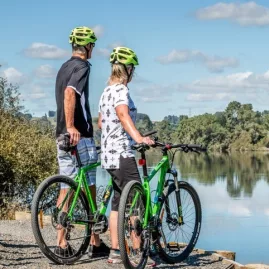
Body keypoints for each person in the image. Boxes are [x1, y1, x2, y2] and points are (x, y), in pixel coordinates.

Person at [55, 26, 110, 258]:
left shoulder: (63, 67)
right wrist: (72, 126)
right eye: (92, 46)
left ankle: (61, 243)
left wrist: (65, 129)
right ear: (88, 46)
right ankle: (95, 243)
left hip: (61, 137)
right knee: (89, 186)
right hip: (80, 137)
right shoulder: (82, 66)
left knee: (66, 186)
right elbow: (70, 93)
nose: (92, 51)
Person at [98, 47, 156, 266]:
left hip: (108, 155)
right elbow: (122, 115)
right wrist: (138, 137)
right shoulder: (121, 90)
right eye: (132, 69)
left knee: (117, 203)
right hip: (122, 153)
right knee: (136, 203)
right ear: (127, 69)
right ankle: (138, 251)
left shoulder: (106, 91)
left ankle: (115, 250)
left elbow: (101, 122)